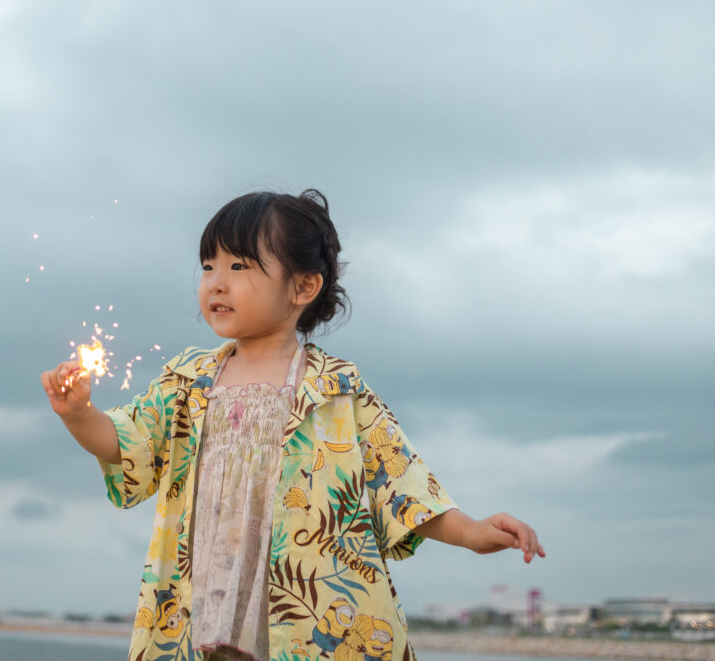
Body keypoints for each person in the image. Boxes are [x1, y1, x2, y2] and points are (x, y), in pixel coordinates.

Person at [41, 190, 545, 661]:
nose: (216, 281)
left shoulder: (337, 390)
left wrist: (473, 531)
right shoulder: (187, 379)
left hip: (309, 605)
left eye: (238, 266)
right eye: (207, 266)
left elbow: (399, 484)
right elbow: (125, 445)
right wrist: (80, 414)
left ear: (303, 286)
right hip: (201, 603)